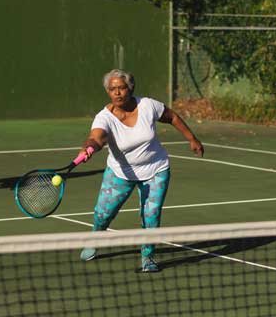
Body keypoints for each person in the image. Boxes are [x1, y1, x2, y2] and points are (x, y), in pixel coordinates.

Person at [77, 69, 204, 272]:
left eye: (121, 88)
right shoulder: (104, 117)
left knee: (151, 215)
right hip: (120, 173)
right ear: (108, 92)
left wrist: (191, 138)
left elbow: (172, 117)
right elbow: (97, 137)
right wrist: (90, 147)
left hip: (156, 169)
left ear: (130, 88)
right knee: (103, 214)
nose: (117, 93)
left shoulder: (148, 105)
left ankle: (148, 257)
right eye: (112, 89)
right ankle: (95, 237)